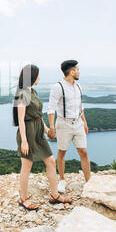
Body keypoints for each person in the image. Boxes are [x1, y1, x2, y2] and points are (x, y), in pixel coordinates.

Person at [13, 64, 72, 211]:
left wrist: (46, 129)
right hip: (27, 132)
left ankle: (54, 195)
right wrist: (24, 141)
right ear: (32, 77)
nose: (39, 78)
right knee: (27, 166)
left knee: (51, 161)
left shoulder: (33, 91)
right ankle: (23, 198)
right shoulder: (22, 93)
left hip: (38, 131)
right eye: (37, 75)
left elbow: (38, 116)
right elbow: (21, 120)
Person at [46, 60, 91, 194]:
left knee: (83, 152)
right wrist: (52, 127)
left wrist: (85, 123)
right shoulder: (58, 87)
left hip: (78, 123)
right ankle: (62, 180)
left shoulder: (78, 87)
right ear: (71, 72)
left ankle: (88, 181)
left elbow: (80, 107)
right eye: (77, 69)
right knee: (62, 152)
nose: (78, 72)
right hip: (63, 123)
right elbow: (50, 109)